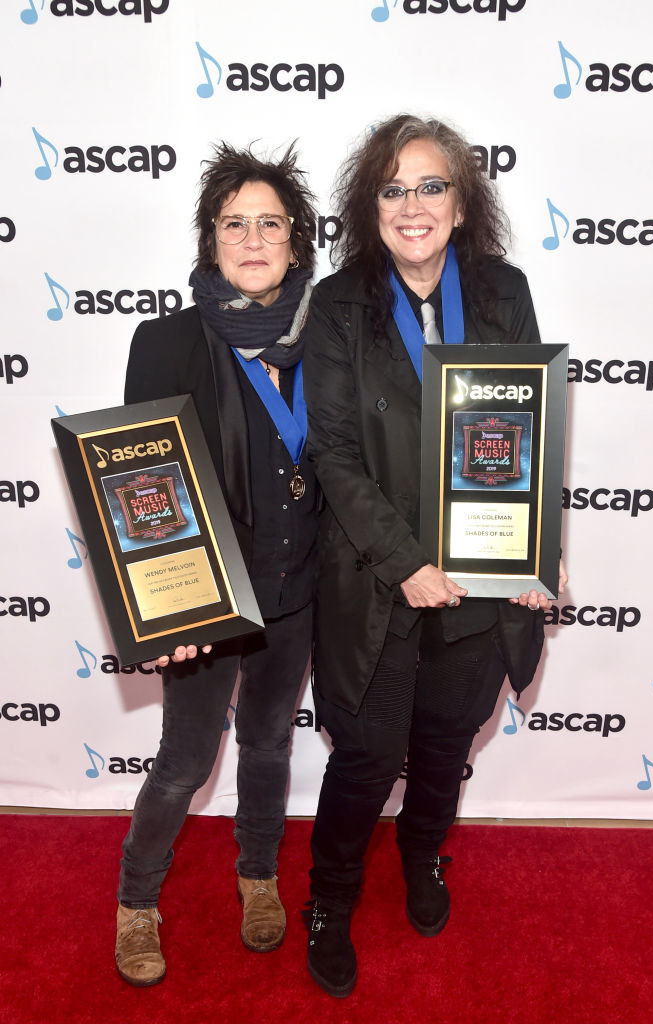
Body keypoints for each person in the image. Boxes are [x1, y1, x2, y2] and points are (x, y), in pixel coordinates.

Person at [302, 114, 568, 998]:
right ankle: (329, 902)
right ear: (367, 204)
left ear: (461, 203)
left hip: (482, 578)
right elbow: (333, 452)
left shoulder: (503, 288)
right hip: (385, 579)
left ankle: (423, 860)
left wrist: (540, 545)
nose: (412, 205)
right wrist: (406, 559)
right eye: (392, 187)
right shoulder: (341, 302)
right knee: (367, 757)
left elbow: (529, 430)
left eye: (431, 185)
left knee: (448, 742)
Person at [114, 142, 318, 986]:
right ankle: (135, 901)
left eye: (270, 221)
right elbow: (137, 487)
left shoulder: (332, 337)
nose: (253, 236)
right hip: (206, 601)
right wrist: (160, 612)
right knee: (185, 763)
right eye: (234, 222)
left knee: (270, 743)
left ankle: (259, 875)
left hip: (299, 590)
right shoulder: (163, 342)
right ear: (210, 242)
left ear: (298, 245)